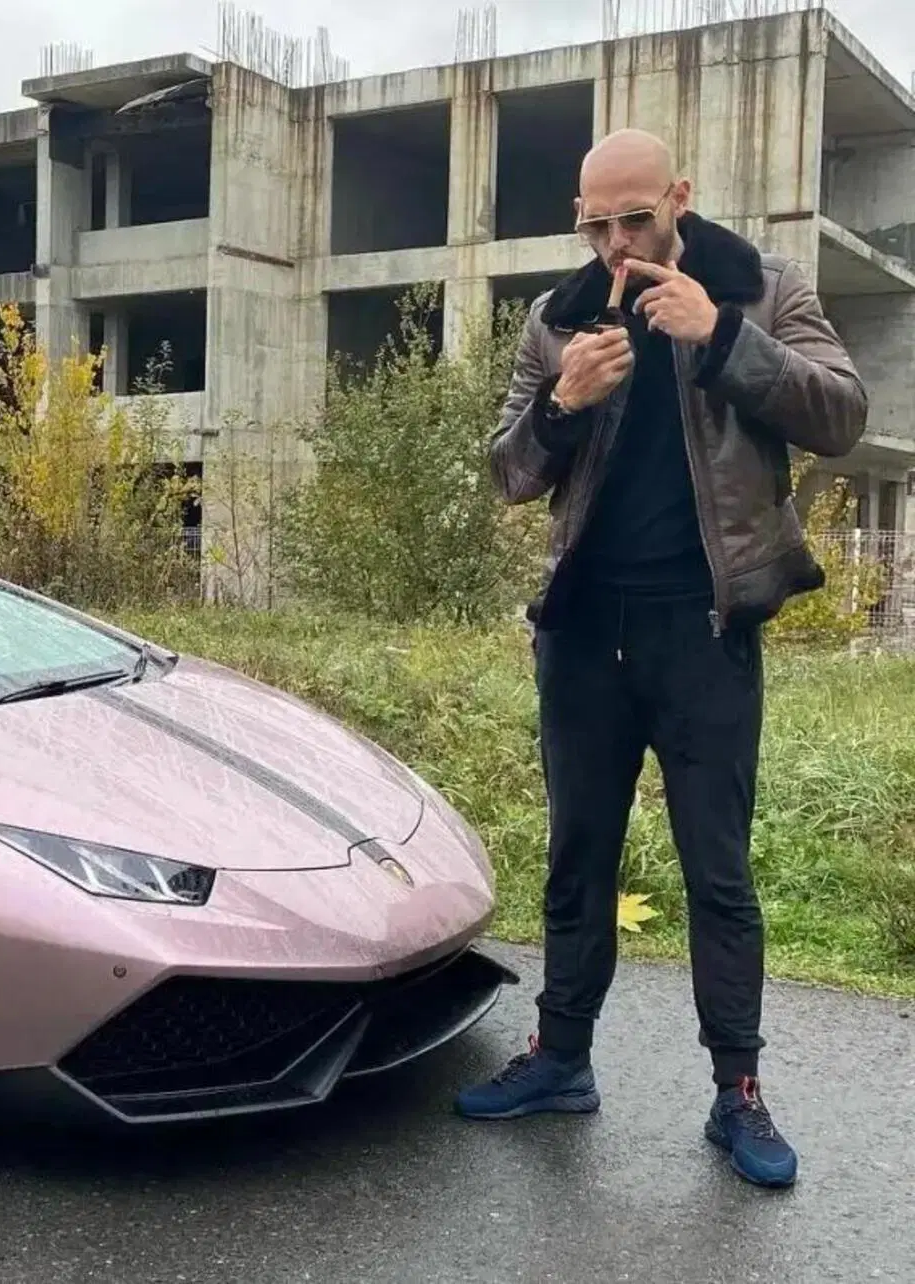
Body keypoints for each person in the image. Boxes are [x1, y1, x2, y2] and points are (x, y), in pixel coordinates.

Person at [455, 128, 868, 1189]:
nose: (614, 242)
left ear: (678, 196)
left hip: (705, 629)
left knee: (715, 874)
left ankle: (736, 1094)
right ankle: (559, 1060)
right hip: (586, 632)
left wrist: (722, 336)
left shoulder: (760, 288)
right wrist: (561, 406)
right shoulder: (555, 318)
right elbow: (504, 473)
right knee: (575, 860)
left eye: (633, 217)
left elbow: (841, 416)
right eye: (593, 223)